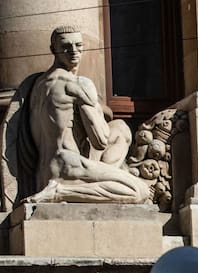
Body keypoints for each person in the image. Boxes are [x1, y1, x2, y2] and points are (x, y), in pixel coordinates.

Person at [20, 25, 150, 204]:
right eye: (66, 46)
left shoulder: (36, 84)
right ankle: (60, 193)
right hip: (68, 166)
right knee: (139, 191)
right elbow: (100, 139)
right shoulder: (77, 84)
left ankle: (67, 187)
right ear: (53, 50)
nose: (74, 51)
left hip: (42, 172)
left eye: (78, 45)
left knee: (119, 128)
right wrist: (94, 104)